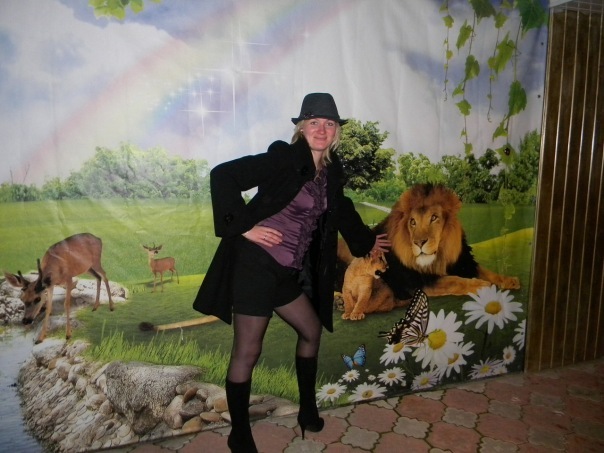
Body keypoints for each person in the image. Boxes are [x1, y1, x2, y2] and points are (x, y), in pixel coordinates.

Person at [193, 92, 390, 452]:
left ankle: (307, 411)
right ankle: (240, 434)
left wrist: (366, 242)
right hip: (254, 265)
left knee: (311, 330)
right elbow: (223, 175)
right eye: (314, 122)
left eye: (329, 123)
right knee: (248, 350)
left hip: (285, 272)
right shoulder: (283, 158)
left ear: (337, 131)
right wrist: (243, 227)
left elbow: (343, 210)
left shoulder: (329, 174)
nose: (322, 129)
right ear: (301, 127)